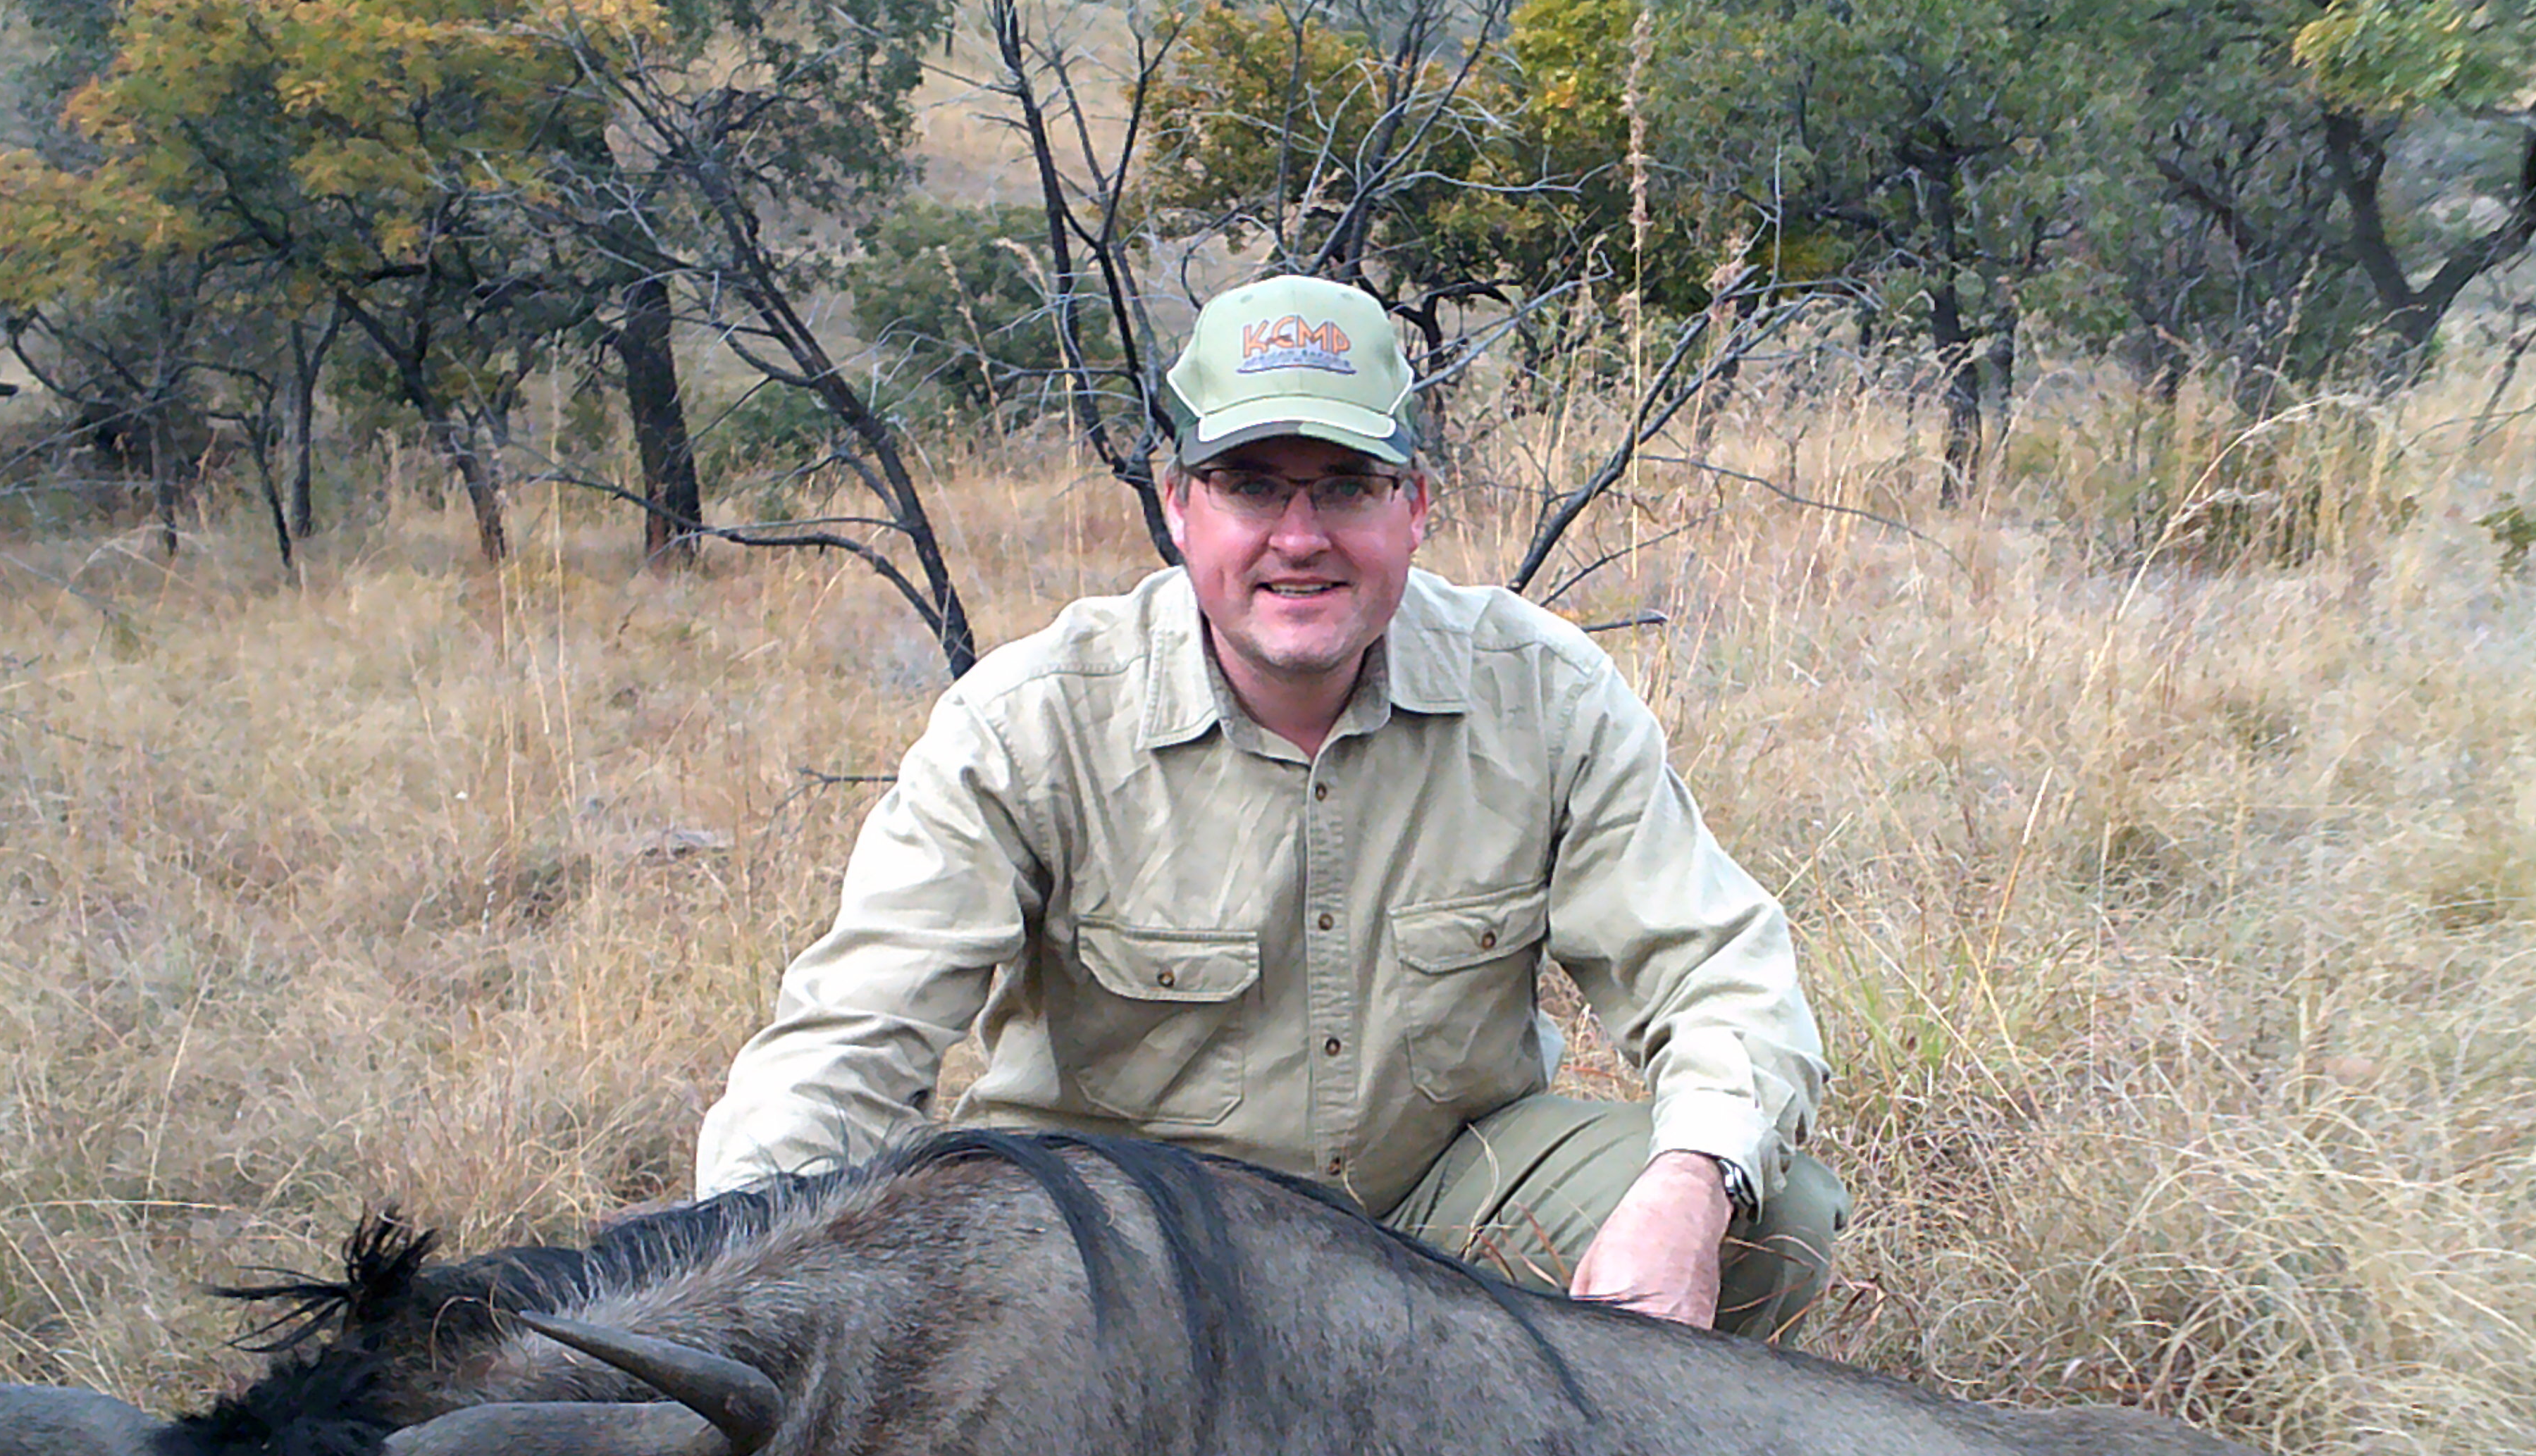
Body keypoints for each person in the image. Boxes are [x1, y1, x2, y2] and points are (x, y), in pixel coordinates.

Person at [695, 273, 1843, 1335]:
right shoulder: (1029, 722)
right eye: (1251, 486)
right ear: (1179, 502)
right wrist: (720, 1290)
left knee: (1770, 1216)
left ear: (1416, 506)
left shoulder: (1541, 689)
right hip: (1118, 1255)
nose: (1300, 539)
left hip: (1439, 1212)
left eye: (1346, 485)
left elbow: (1719, 976)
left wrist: (1693, 1185)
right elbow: (848, 1044)